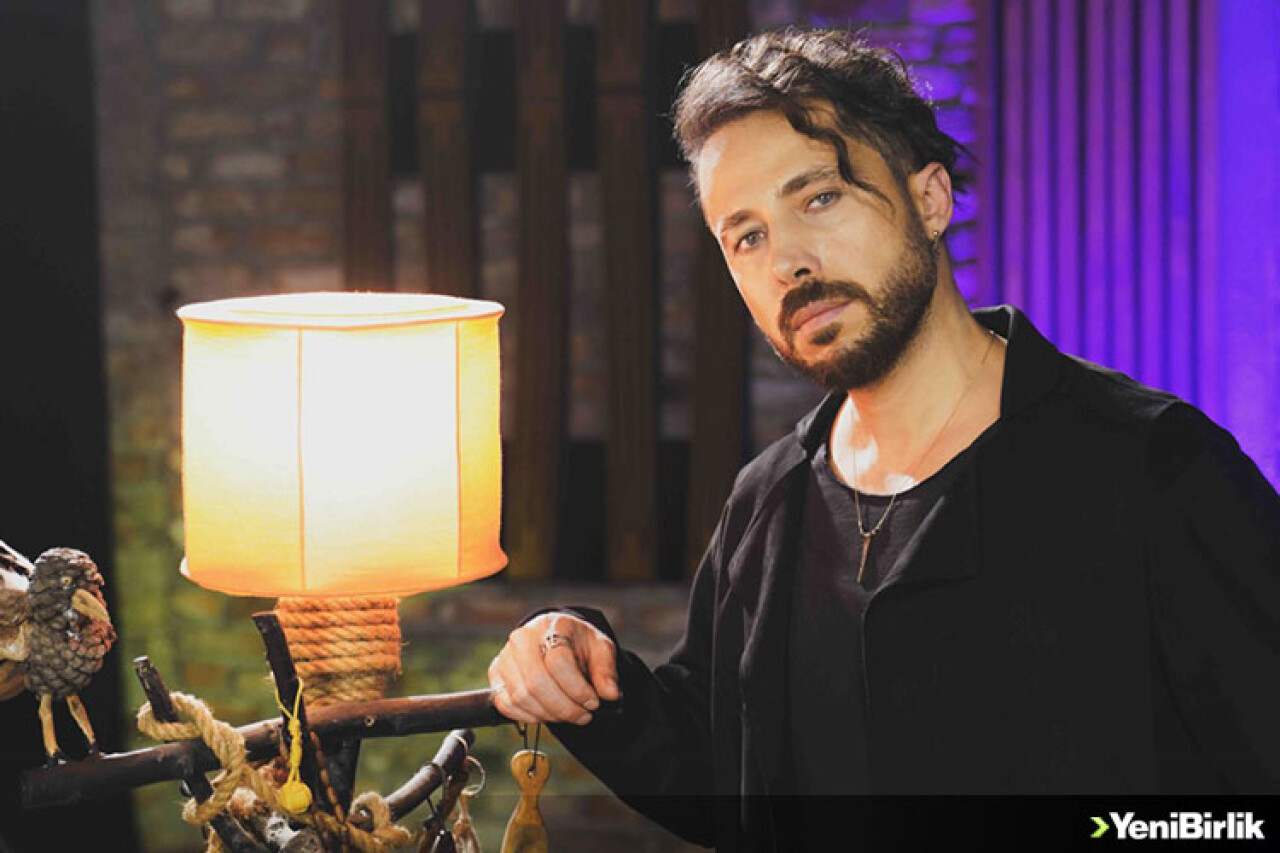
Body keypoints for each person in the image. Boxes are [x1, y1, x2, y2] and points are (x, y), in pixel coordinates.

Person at [486, 26, 1280, 850]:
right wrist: (572, 654)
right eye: (747, 235)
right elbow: (724, 768)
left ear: (930, 199)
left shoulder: (1151, 467)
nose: (788, 262)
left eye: (819, 198)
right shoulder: (769, 502)